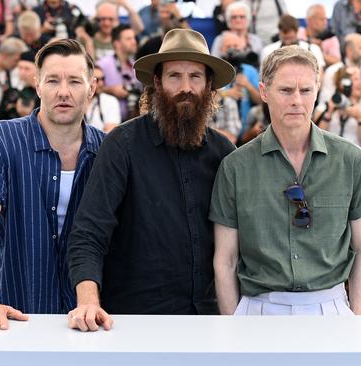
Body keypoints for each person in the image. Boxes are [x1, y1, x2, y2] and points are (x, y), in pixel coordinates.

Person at [66, 29, 235, 330]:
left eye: (195, 77)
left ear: (209, 85)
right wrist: (88, 300)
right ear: (156, 83)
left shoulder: (224, 153)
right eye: (174, 76)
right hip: (135, 321)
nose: (186, 88)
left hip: (210, 322)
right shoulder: (122, 144)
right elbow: (89, 232)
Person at [211, 45, 361, 316]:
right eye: (286, 90)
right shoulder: (235, 167)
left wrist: (355, 318)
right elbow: (225, 260)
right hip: (258, 309)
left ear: (318, 90)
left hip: (331, 308)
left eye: (306, 90)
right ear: (264, 92)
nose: (296, 100)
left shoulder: (352, 160)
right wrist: (232, 324)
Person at [0, 39, 105, 332]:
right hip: (16, 314)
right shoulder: (0, 139)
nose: (63, 92)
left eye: (75, 81)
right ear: (37, 85)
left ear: (92, 87)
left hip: (87, 318)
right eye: (52, 80)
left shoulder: (107, 149)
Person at [315, 66, 361, 149]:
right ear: (343, 83)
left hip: (355, 158)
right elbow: (316, 138)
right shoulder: (327, 105)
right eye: (356, 79)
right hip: (330, 157)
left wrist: (360, 118)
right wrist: (328, 114)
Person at [96, 24, 141, 122]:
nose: (134, 42)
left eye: (133, 38)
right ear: (117, 44)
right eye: (129, 39)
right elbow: (90, 88)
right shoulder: (102, 64)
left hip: (133, 121)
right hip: (109, 122)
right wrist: (111, 90)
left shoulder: (135, 65)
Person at [260, 14, 325, 71]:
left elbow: (319, 75)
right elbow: (264, 76)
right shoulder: (268, 51)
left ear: (297, 32)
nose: (288, 43)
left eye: (290, 38)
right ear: (279, 33)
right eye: (285, 38)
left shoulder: (313, 49)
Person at [85, 67, 121, 133]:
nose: (101, 84)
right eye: (97, 80)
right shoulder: (77, 100)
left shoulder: (110, 101)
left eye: (103, 79)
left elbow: (110, 133)